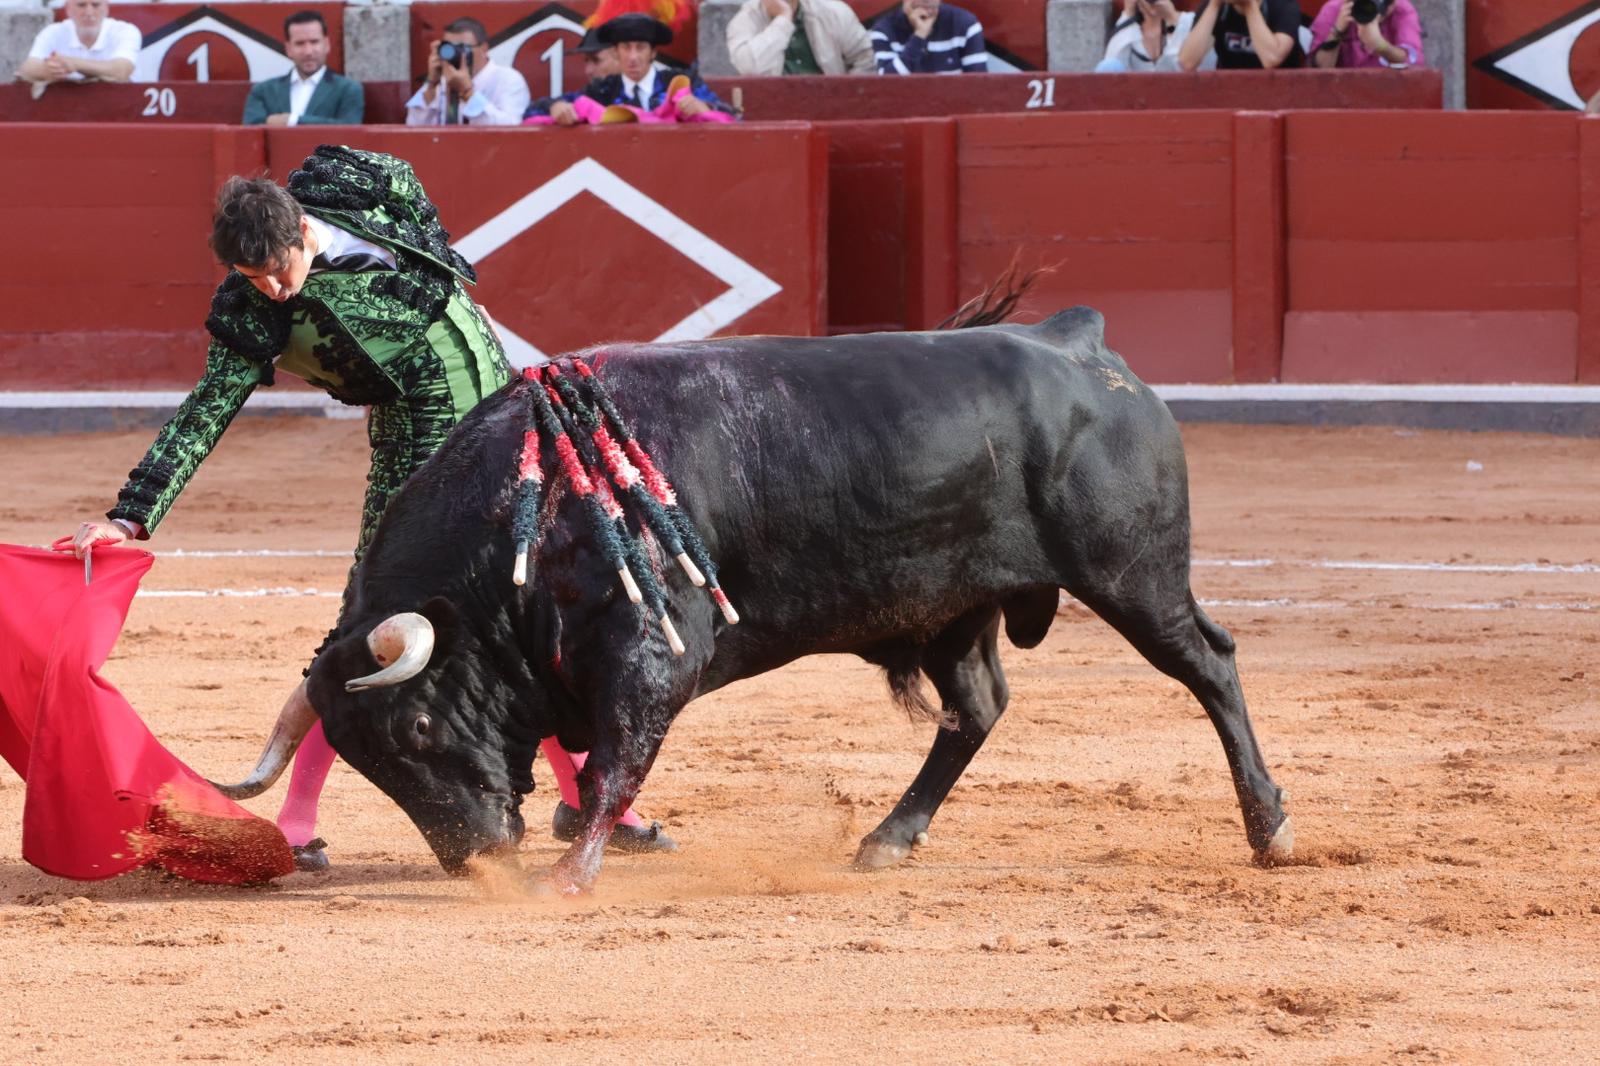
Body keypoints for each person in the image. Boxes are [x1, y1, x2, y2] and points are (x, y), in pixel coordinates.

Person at [67, 147, 675, 871]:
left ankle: (590, 801)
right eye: (249, 277)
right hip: (420, 444)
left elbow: (407, 185)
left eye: (275, 269)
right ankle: (297, 818)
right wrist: (131, 515)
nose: (269, 289)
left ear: (300, 231)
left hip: (511, 410)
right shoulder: (249, 314)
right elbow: (203, 414)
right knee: (374, 624)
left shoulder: (355, 184)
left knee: (529, 606)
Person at [524, 13, 735, 125]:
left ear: (653, 53)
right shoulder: (603, 90)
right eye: (626, 48)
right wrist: (555, 107)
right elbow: (532, 111)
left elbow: (730, 116)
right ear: (616, 52)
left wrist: (703, 109)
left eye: (640, 48)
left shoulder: (680, 81)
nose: (633, 57)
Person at [242, 11, 364, 127]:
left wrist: (292, 120)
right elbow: (250, 130)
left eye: (314, 42)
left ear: (326, 44)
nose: (308, 52)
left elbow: (349, 128)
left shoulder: (348, 89)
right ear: (289, 48)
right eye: (300, 43)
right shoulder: (263, 91)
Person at [405, 17, 531, 126]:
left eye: (463, 48)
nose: (458, 55)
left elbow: (510, 129)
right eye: (450, 48)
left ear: (484, 48)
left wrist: (467, 93)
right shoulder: (442, 82)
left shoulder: (508, 79)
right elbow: (414, 127)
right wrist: (431, 84)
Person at [726, 0, 876, 77]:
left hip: (832, 109)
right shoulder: (745, 20)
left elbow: (866, 58)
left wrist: (845, 98)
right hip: (774, 115)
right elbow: (750, 69)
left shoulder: (833, 12)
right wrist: (783, 20)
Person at [18, 0, 139, 86]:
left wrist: (75, 64)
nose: (89, 12)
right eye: (81, 5)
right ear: (68, 8)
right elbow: (27, 68)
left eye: (95, 5)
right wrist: (50, 69)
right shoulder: (53, 31)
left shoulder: (125, 31)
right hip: (65, 106)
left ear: (106, 7)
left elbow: (122, 71)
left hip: (117, 106)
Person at [869, 0, 988, 76]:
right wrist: (919, 36)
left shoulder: (965, 24)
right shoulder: (883, 30)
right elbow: (887, 86)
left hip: (955, 110)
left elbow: (979, 85)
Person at [1096, 0, 1211, 73]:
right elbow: (1111, 68)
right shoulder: (1129, 28)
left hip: (1178, 99)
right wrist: (1128, 13)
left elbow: (1185, 68)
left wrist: (1172, 20)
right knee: (1109, 65)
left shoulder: (1189, 21)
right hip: (1134, 100)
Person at [1308, 0, 1422, 69]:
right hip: (1341, 93)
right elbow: (1318, 71)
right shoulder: (1334, 9)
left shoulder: (1402, 10)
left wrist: (1381, 46)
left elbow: (1414, 64)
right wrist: (1337, 32)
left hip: (1388, 91)